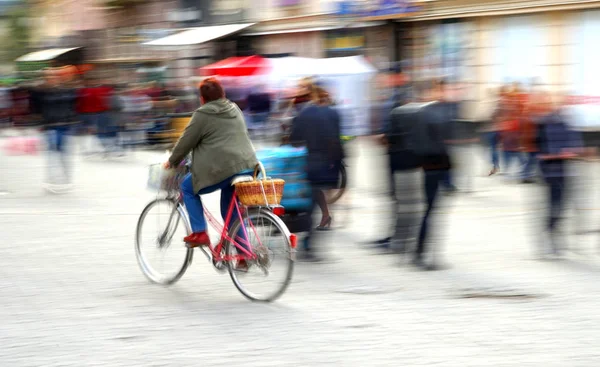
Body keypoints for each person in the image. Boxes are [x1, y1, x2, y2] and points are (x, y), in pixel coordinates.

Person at [164, 78, 258, 265]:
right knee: (230, 211)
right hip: (247, 166)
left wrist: (172, 161)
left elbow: (186, 141)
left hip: (224, 169)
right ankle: (243, 254)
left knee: (186, 187)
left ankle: (199, 232)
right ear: (222, 94)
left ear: (202, 98)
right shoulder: (234, 108)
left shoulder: (203, 114)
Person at [289, 80, 344, 261]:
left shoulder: (304, 113)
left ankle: (308, 243)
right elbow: (338, 140)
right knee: (320, 201)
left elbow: (294, 138)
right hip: (329, 165)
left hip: (311, 163)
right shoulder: (334, 113)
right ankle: (312, 237)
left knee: (311, 204)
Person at [411, 80, 453, 270]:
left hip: (442, 166)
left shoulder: (445, 111)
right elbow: (422, 142)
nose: (444, 93)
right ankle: (420, 253)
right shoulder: (426, 112)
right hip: (431, 167)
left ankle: (428, 254)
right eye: (441, 89)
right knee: (429, 211)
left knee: (435, 211)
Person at [537, 93, 583, 257]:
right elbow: (541, 151)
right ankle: (550, 239)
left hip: (565, 172)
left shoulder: (566, 123)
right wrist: (559, 154)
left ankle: (555, 239)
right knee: (554, 207)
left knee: (561, 207)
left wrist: (573, 151)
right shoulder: (546, 123)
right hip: (551, 172)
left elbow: (576, 145)